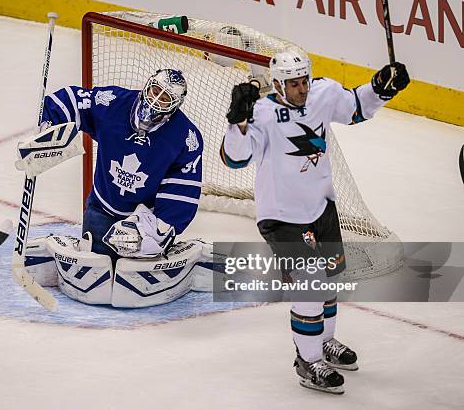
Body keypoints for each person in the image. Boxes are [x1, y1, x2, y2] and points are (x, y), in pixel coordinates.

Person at [221, 51, 409, 393]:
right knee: (309, 286)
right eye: (293, 84)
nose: (302, 89)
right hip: (281, 218)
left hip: (322, 208)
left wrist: (381, 88)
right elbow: (235, 159)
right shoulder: (261, 114)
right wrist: (237, 121)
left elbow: (355, 108)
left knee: (328, 282)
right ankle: (307, 362)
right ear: (278, 84)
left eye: (304, 80)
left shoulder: (322, 93)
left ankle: (324, 342)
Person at [41, 69, 203, 260]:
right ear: (147, 86)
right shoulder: (114, 103)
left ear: (175, 105)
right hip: (101, 209)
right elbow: (76, 100)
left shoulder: (186, 137)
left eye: (165, 98)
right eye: (155, 90)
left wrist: (157, 228)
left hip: (142, 221)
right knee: (93, 268)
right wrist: (48, 120)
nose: (156, 99)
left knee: (135, 278)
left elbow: (182, 191)